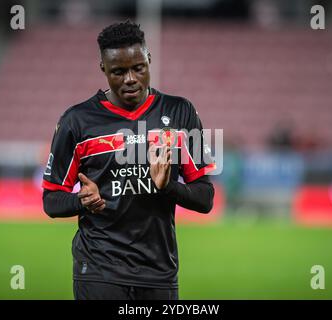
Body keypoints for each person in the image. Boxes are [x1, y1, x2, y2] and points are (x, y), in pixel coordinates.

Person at [42, 21, 216, 300]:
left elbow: (206, 198)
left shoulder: (180, 112)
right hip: (99, 269)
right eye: (118, 72)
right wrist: (80, 201)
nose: (130, 79)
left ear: (149, 59)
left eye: (138, 68)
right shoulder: (77, 121)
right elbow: (51, 200)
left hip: (159, 272)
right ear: (103, 69)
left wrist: (168, 186)